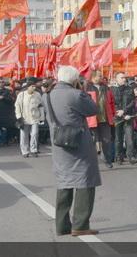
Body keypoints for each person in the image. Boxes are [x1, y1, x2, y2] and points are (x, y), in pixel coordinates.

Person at [46, 66, 102, 237]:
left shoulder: (47, 95)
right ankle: (80, 224)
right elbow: (93, 109)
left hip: (59, 143)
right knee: (85, 181)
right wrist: (82, 90)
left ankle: (62, 226)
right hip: (79, 144)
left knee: (65, 183)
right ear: (75, 79)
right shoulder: (76, 94)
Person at [85, 73, 116, 169]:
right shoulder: (87, 88)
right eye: (99, 76)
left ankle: (107, 160)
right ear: (93, 77)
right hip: (92, 119)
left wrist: (113, 114)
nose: (101, 77)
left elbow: (112, 103)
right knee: (92, 142)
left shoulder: (106, 88)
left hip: (105, 119)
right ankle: (91, 162)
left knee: (107, 140)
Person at [15, 78, 46, 158]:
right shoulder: (21, 95)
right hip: (24, 118)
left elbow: (41, 106)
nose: (34, 88)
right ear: (28, 87)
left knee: (35, 134)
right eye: (32, 86)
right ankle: (25, 151)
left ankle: (34, 150)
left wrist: (42, 117)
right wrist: (18, 116)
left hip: (35, 117)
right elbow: (17, 106)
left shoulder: (37, 94)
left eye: (34, 86)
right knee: (24, 135)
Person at [112, 72, 132, 164]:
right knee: (118, 139)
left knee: (129, 138)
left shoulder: (129, 89)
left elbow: (132, 102)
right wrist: (117, 111)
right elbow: (111, 103)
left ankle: (130, 157)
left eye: (124, 77)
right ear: (116, 79)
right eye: (122, 78)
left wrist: (124, 111)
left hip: (127, 116)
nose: (124, 79)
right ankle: (118, 157)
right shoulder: (112, 89)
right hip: (117, 117)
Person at [0, 80, 16, 149]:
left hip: (6, 113)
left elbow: (11, 101)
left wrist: (4, 98)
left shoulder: (7, 91)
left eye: (2, 82)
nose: (1, 83)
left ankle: (5, 141)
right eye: (0, 82)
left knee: (5, 128)